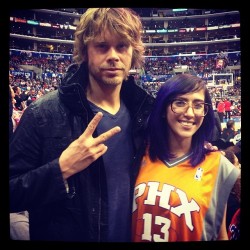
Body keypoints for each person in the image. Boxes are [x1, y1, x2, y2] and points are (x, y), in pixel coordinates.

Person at [9, 8, 155, 242]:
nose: (113, 56)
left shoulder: (148, 114)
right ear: (85, 51)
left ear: (133, 52)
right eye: (102, 46)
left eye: (122, 46)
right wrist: (60, 169)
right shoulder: (42, 114)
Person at [132, 74, 240, 242]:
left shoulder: (218, 165)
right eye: (180, 103)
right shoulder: (138, 154)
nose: (190, 113)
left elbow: (220, 234)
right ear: (162, 109)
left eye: (198, 105)